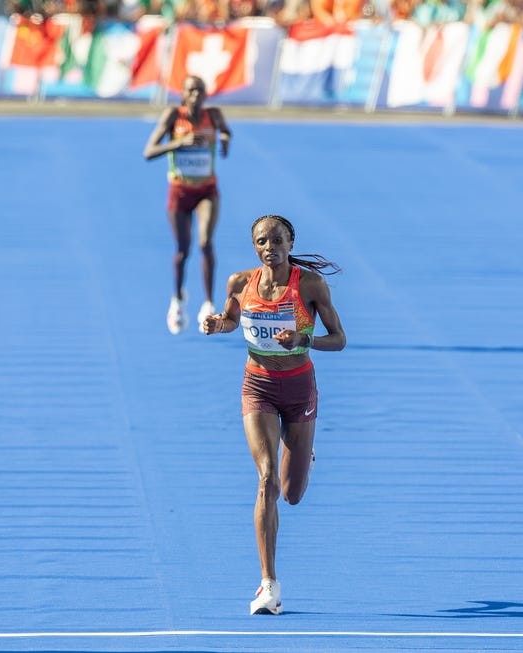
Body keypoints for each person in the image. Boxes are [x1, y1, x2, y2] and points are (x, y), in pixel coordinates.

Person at [201, 214, 346, 615]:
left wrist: (305, 339)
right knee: (266, 480)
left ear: (291, 242)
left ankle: (304, 455)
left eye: (278, 240)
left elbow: (340, 339)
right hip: (258, 386)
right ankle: (269, 584)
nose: (271, 247)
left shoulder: (310, 285)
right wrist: (218, 324)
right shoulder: (239, 283)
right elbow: (232, 319)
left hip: (299, 390)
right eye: (263, 241)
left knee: (292, 494)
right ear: (255, 247)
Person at [144, 75, 232, 335]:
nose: (196, 95)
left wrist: (225, 139)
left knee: (205, 243)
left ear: (206, 95)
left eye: (200, 90)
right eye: (191, 90)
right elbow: (149, 151)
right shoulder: (173, 115)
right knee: (183, 251)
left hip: (207, 190)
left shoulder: (213, 115)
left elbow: (226, 130)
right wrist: (180, 142)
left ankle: (208, 302)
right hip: (180, 192)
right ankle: (178, 300)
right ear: (183, 94)